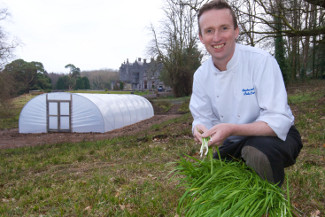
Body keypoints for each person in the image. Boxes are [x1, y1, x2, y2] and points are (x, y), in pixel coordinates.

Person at [189, 0, 303, 186]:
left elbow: (277, 119)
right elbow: (202, 116)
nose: (216, 37)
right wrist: (200, 129)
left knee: (256, 151)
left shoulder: (261, 61)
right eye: (209, 31)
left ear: (236, 31)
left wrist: (232, 128)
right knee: (213, 184)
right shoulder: (201, 75)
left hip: (275, 138)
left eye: (224, 28)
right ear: (201, 37)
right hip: (232, 142)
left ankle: (273, 203)